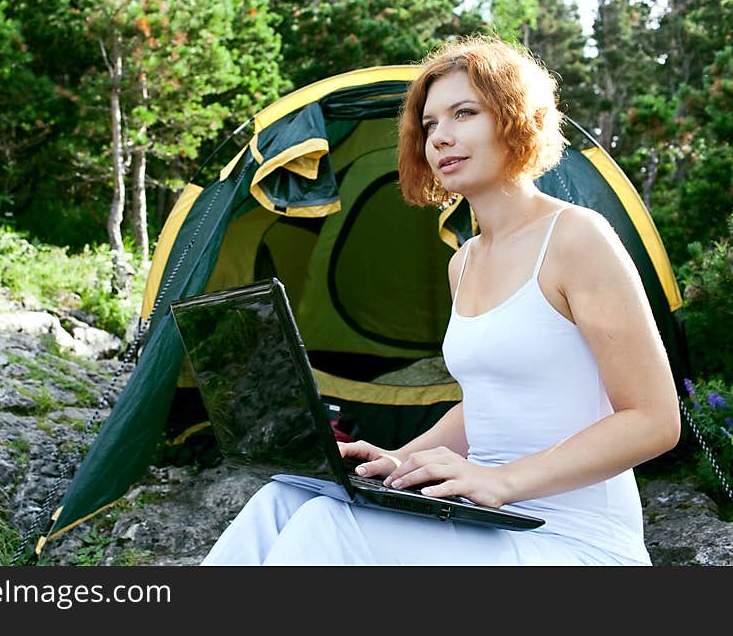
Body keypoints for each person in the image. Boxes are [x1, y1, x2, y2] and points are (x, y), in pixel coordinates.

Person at [200, 35, 680, 566]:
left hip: (574, 539)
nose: (441, 138)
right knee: (285, 498)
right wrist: (397, 461)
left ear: (515, 118)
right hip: (490, 519)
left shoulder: (576, 237)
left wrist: (503, 481)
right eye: (430, 125)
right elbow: (487, 405)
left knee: (327, 525)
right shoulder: (464, 261)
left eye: (464, 113)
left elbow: (654, 420)